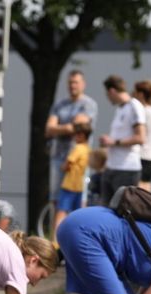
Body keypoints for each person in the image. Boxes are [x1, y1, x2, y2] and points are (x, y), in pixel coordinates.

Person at [45, 70, 98, 209]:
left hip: (78, 160)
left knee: (78, 198)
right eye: (70, 82)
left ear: (83, 84)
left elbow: (78, 127)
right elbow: (49, 129)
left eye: (76, 82)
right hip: (58, 157)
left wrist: (61, 127)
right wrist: (68, 127)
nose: (72, 86)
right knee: (56, 198)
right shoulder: (60, 104)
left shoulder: (88, 104)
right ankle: (56, 230)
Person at [98, 75, 146, 205]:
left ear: (112, 91)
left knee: (123, 211)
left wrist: (114, 142)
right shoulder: (120, 108)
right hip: (112, 166)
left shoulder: (134, 106)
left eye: (107, 94)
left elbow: (141, 137)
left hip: (126, 169)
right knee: (106, 210)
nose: (108, 98)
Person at [53, 120, 91, 239]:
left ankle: (56, 239)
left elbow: (68, 163)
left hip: (69, 185)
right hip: (79, 186)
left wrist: (63, 167)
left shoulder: (78, 148)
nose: (74, 137)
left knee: (61, 211)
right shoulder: (87, 149)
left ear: (82, 135)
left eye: (76, 134)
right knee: (76, 213)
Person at [133, 80, 151, 191]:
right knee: (146, 192)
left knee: (137, 193)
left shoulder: (143, 112)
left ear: (140, 94)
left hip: (141, 157)